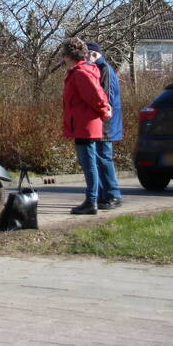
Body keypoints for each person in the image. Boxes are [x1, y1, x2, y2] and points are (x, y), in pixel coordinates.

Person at [60, 37, 112, 215]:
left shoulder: (81, 73)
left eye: (64, 55)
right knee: (87, 162)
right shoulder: (81, 71)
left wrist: (105, 111)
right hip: (83, 124)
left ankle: (91, 201)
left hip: (86, 125)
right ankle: (93, 199)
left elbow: (96, 96)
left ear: (69, 56)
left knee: (89, 163)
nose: (63, 59)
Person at [86, 42, 123, 208]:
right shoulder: (101, 69)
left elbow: (105, 97)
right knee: (99, 157)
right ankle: (104, 194)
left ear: (94, 54)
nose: (85, 59)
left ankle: (113, 195)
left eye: (87, 55)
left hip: (106, 122)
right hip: (104, 121)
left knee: (104, 157)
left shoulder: (105, 69)